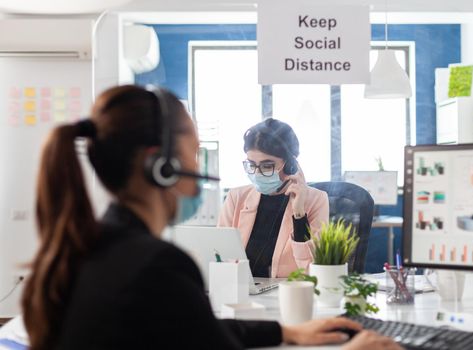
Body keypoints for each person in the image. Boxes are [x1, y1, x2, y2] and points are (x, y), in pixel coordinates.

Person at [20, 85, 402, 350]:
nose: (198, 165)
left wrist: (286, 333)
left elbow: (195, 330)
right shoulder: (158, 266)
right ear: (162, 166)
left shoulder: (87, 249)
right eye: (194, 151)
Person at [218, 118, 329, 278]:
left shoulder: (316, 200)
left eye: (267, 166)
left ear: (290, 165)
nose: (257, 173)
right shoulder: (236, 198)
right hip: (241, 293)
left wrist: (299, 214)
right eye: (251, 165)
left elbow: (313, 271)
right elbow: (219, 257)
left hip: (290, 294)